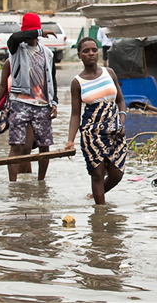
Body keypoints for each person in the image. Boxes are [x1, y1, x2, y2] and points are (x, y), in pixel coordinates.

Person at [65, 37, 127, 204]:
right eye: (86, 51)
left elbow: (120, 101)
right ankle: (100, 215)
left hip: (115, 131)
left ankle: (94, 197)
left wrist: (121, 122)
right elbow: (75, 114)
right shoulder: (77, 82)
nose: (91, 53)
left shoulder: (109, 73)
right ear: (79, 55)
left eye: (94, 49)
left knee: (117, 173)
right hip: (91, 133)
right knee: (97, 174)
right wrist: (70, 140)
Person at [5, 13, 59, 182]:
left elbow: (52, 79)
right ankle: (13, 185)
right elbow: (15, 36)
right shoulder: (15, 48)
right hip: (20, 103)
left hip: (43, 104)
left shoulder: (47, 53)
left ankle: (41, 183)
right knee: (17, 146)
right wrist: (40, 32)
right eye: (30, 32)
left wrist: (54, 102)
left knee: (44, 146)